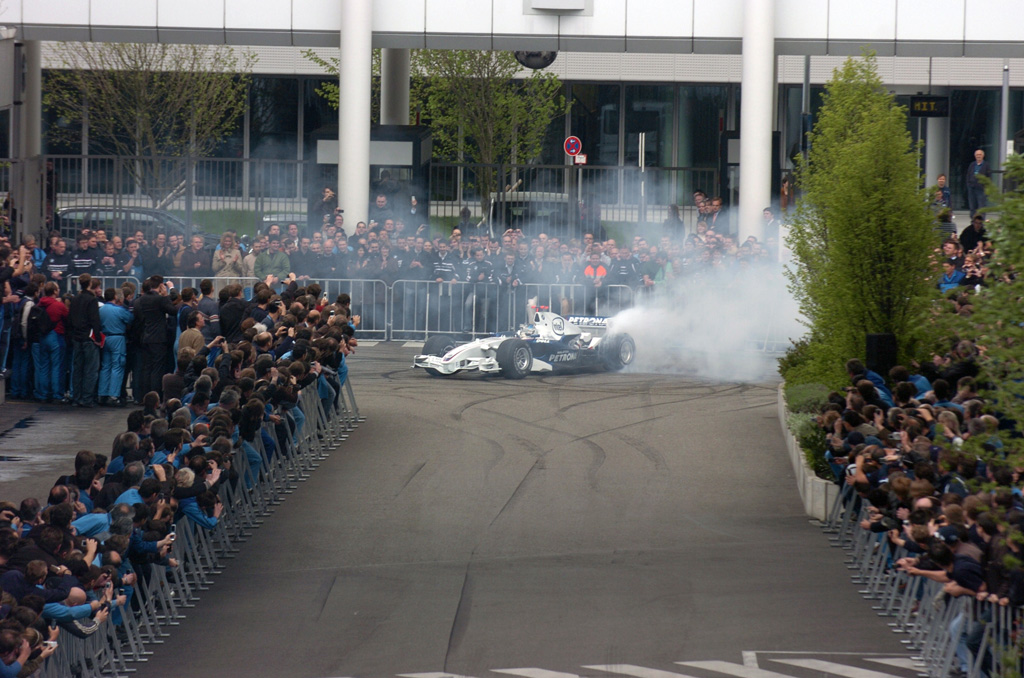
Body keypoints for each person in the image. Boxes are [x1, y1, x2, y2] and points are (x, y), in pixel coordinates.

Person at [133, 276, 176, 399]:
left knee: (146, 368)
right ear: (161, 285)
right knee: (157, 368)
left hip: (145, 337)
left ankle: (145, 395)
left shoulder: (140, 300)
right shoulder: (160, 299)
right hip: (158, 338)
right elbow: (172, 310)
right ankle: (155, 395)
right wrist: (168, 293)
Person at [67, 273, 103, 407]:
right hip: (88, 337)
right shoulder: (92, 300)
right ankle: (87, 398)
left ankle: (76, 397)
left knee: (77, 369)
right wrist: (98, 338)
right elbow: (95, 320)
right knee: (91, 369)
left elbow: (69, 319)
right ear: (90, 284)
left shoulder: (75, 299)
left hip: (77, 337)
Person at [98, 287, 134, 406]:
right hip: (117, 337)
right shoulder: (119, 310)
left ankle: (102, 393)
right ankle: (114, 395)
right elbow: (130, 319)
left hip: (105, 337)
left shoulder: (101, 309)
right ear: (116, 297)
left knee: (105, 366)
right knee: (117, 366)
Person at [965, 149, 990, 217]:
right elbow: (968, 175)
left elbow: (988, 177)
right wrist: (968, 185)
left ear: (983, 156)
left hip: (981, 189)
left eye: (980, 154)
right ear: (975, 156)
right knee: (972, 207)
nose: (978, 156)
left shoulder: (986, 165)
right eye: (977, 155)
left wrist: (985, 188)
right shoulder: (972, 164)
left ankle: (981, 223)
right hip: (972, 188)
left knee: (981, 207)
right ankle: (973, 223)